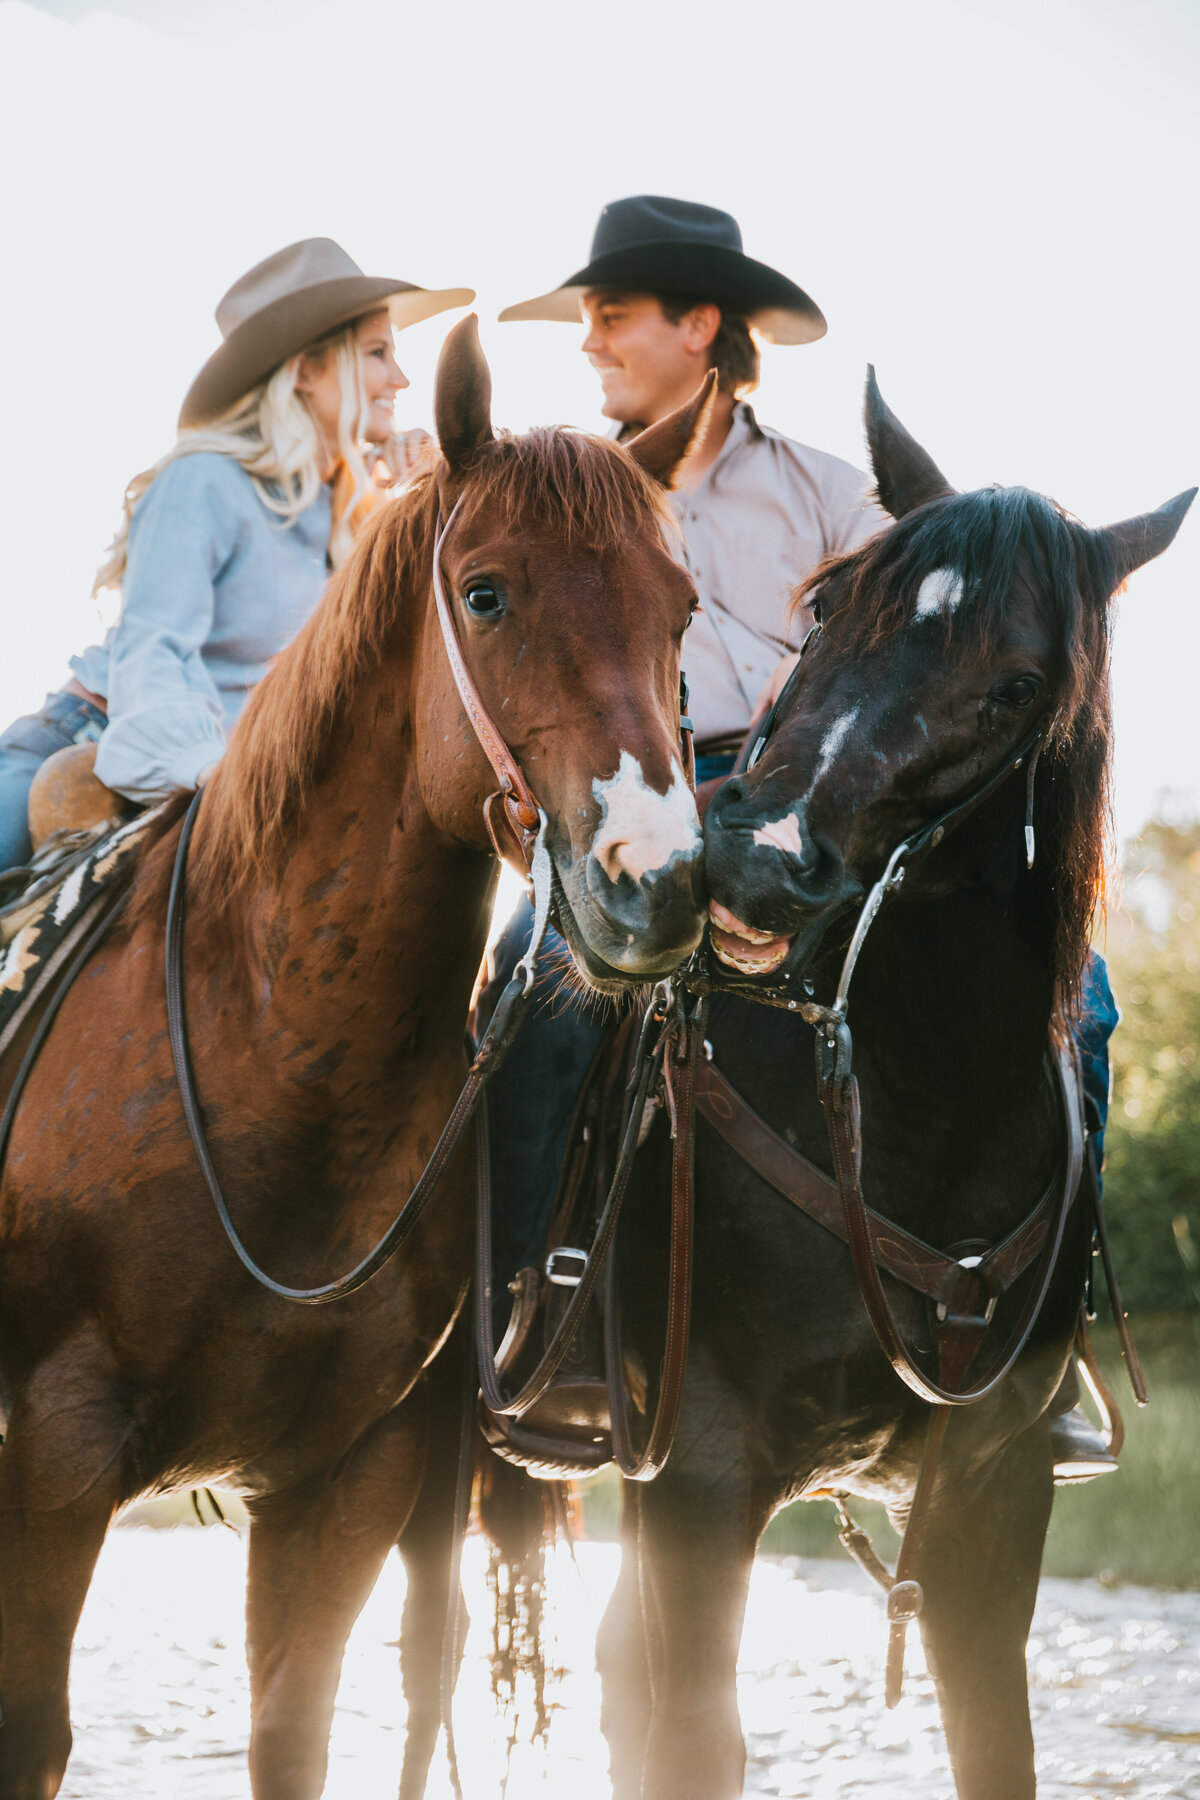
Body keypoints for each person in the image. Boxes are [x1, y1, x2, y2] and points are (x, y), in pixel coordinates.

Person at [493, 194, 1118, 1480]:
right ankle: (540, 1314)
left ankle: (1051, 1333)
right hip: (637, 804)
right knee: (534, 992)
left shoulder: (831, 492)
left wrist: (808, 787)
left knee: (1082, 1004)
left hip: (815, 800)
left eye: (613, 316)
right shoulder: (572, 496)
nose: (592, 343)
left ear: (699, 325)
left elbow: (922, 666)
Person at [0, 237, 473, 863]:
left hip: (219, 777)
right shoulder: (203, 483)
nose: (401, 378)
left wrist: (418, 483)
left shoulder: (348, 508)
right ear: (305, 370)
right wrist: (209, 770)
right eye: (377, 353)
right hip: (92, 746)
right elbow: (156, 650)